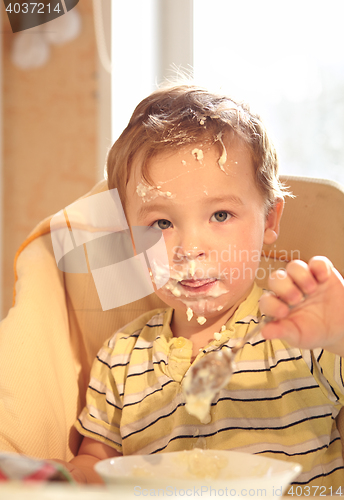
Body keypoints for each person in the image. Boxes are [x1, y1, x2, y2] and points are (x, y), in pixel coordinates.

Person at [57, 85, 344, 488]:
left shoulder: (304, 327)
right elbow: (96, 461)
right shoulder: (120, 358)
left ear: (270, 220)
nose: (190, 250)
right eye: (161, 223)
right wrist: (72, 476)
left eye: (221, 214)